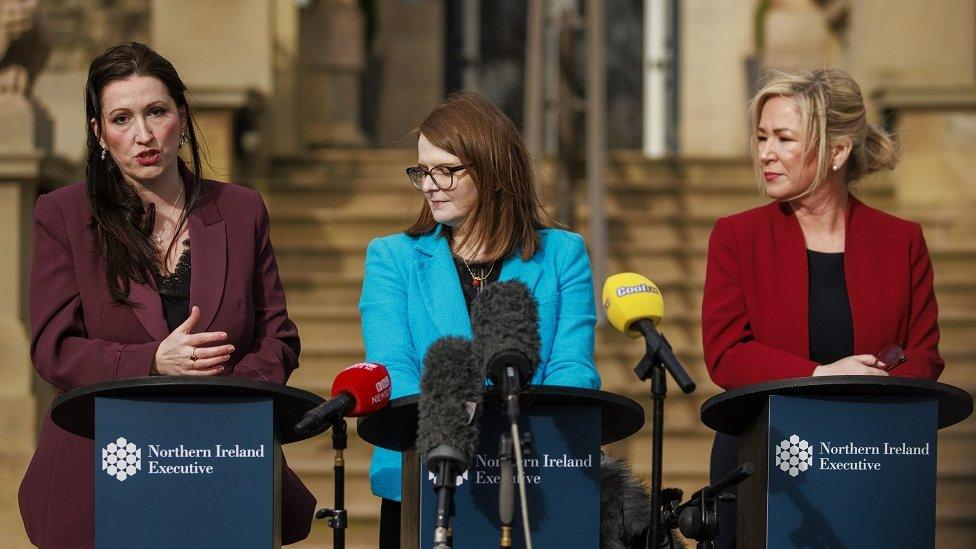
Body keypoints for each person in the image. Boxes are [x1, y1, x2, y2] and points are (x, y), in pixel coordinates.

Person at [18, 42, 315, 547]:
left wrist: (227, 395)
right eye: (121, 118)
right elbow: (54, 348)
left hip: (222, 461)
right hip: (104, 468)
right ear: (98, 133)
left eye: (157, 111)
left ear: (181, 113)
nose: (143, 135)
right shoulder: (63, 214)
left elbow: (278, 337)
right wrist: (153, 360)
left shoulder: (242, 210)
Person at [701, 68, 943, 547]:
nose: (766, 154)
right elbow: (726, 353)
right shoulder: (736, 236)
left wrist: (873, 385)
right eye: (762, 137)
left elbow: (925, 354)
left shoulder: (902, 240)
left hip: (871, 457)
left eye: (784, 138)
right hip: (762, 460)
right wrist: (821, 374)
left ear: (837, 151)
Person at [359, 91, 601, 548]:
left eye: (446, 170)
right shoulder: (391, 257)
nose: (429, 184)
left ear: (492, 171)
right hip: (426, 473)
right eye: (422, 171)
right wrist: (462, 429)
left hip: (535, 474)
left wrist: (509, 436)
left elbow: (574, 369)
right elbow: (393, 367)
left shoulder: (563, 254)